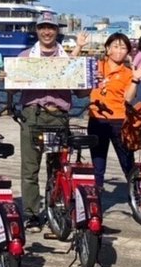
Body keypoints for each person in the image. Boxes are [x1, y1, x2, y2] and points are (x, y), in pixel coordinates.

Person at [16, 12, 87, 230]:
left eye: (51, 28)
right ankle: (31, 213)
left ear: (57, 31)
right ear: (37, 30)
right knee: (30, 168)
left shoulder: (69, 59)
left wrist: (91, 80)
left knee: (57, 167)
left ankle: (55, 207)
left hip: (59, 115)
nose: (47, 32)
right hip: (33, 114)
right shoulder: (25, 56)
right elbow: (14, 85)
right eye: (43, 27)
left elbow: (81, 93)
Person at [88, 33, 141, 193]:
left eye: (123, 48)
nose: (119, 51)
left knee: (127, 160)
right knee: (98, 162)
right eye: (115, 46)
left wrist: (136, 79)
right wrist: (79, 47)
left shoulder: (128, 73)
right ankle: (95, 199)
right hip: (97, 120)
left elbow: (128, 98)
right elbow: (77, 86)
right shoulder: (94, 67)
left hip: (119, 121)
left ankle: (138, 194)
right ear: (107, 49)